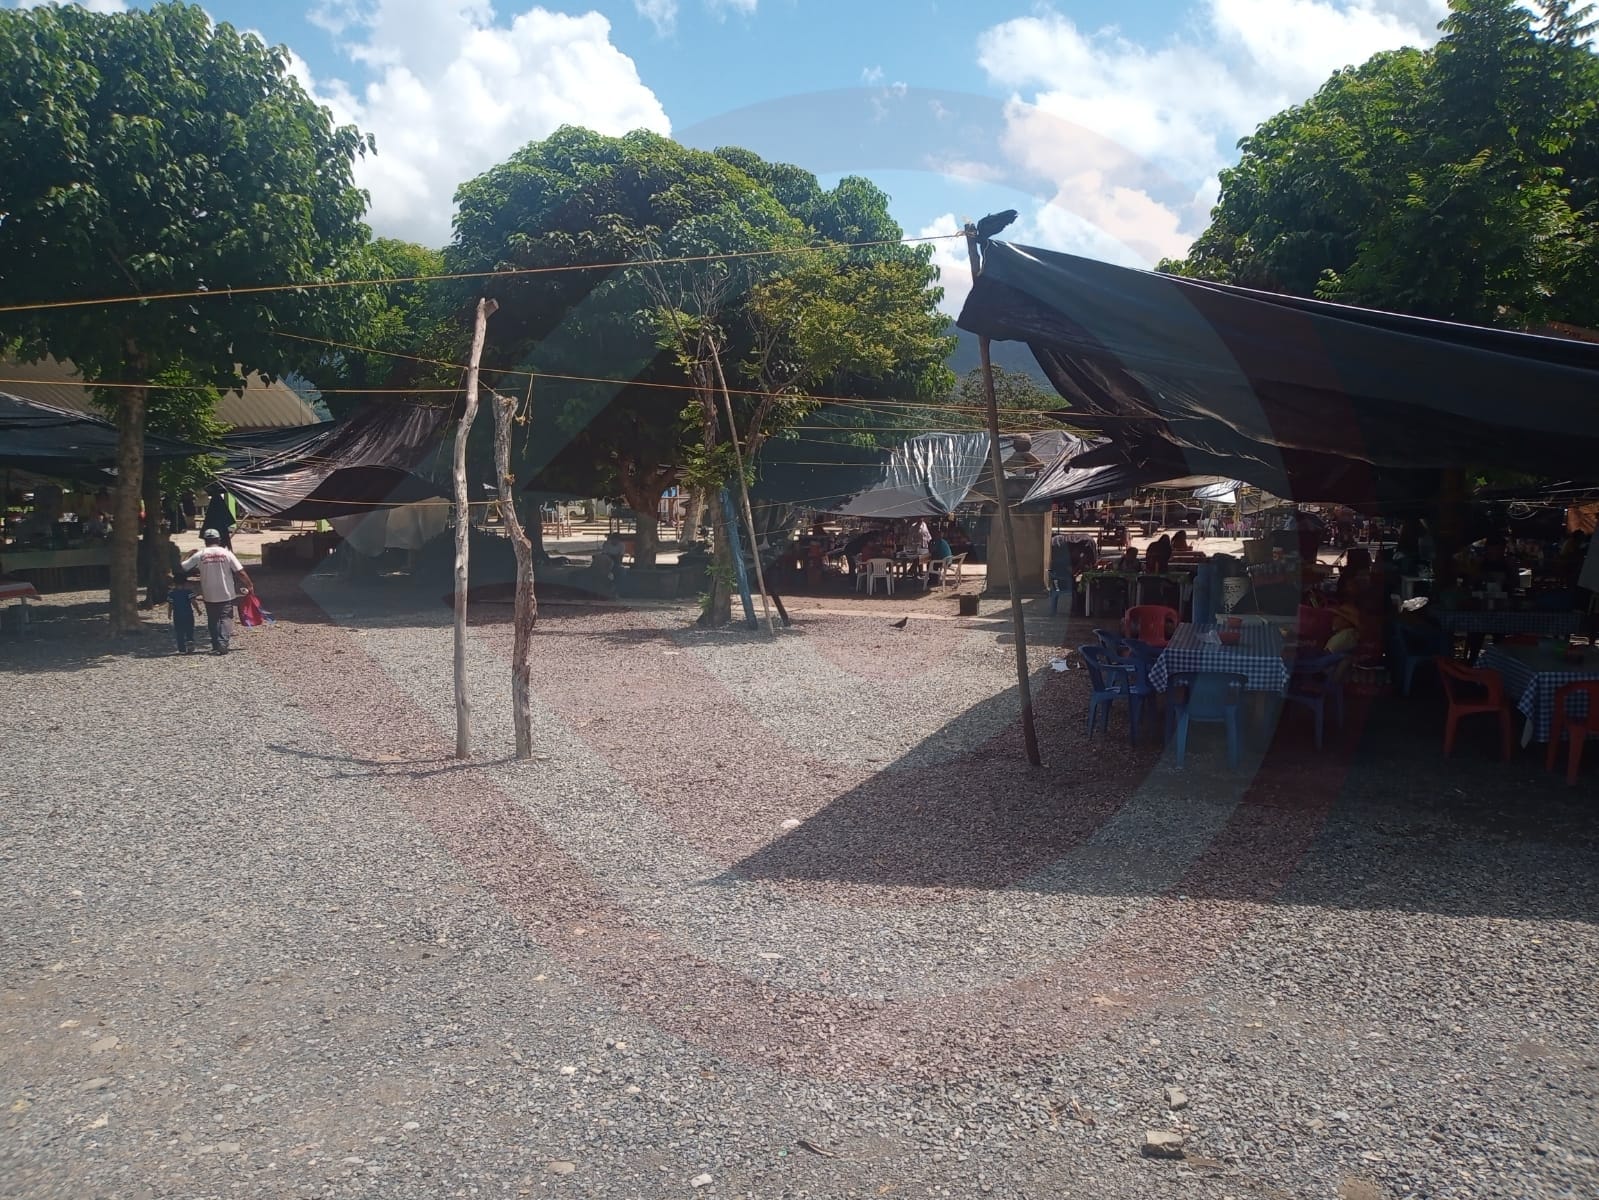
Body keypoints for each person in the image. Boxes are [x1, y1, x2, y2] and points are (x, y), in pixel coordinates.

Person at [181, 528, 252, 655]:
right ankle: (222, 643)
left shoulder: (200, 554)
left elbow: (182, 567)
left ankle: (215, 644)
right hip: (226, 593)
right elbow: (240, 572)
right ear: (218, 540)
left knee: (213, 620)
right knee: (226, 618)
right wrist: (249, 584)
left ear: (205, 541)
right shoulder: (226, 553)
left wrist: (188, 554)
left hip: (209, 594)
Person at [167, 568, 203, 655]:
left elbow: (170, 605)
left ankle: (181, 648)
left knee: (179, 631)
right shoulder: (188, 592)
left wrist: (169, 613)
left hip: (177, 615)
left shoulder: (171, 593)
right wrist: (198, 610)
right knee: (189, 629)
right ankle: (190, 643)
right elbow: (193, 602)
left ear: (174, 583)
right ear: (185, 583)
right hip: (188, 614)